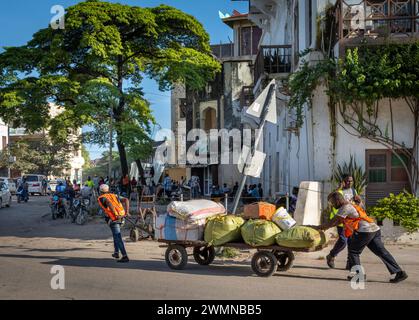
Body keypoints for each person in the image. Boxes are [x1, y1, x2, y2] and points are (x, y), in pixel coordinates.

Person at [316, 191, 408, 283]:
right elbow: (339, 221)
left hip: (365, 231)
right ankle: (399, 272)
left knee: (353, 251)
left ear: (337, 200)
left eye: (332, 202)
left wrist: (318, 227)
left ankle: (359, 276)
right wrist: (324, 227)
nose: (332, 205)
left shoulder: (345, 207)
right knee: (382, 252)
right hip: (374, 229)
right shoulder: (350, 205)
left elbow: (333, 221)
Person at [326, 174, 362, 269]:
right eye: (347, 181)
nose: (349, 182)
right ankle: (331, 255)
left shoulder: (354, 191)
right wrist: (338, 188)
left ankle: (350, 263)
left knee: (351, 242)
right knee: (343, 241)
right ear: (343, 181)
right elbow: (331, 197)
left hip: (350, 221)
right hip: (340, 219)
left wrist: (359, 202)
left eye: (351, 181)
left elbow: (358, 203)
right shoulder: (339, 191)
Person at [97, 184, 130, 263]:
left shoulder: (102, 198)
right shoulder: (114, 195)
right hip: (121, 218)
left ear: (100, 191)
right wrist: (127, 212)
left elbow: (108, 203)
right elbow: (126, 200)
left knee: (118, 237)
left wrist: (115, 214)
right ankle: (116, 252)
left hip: (114, 220)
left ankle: (125, 256)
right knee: (115, 235)